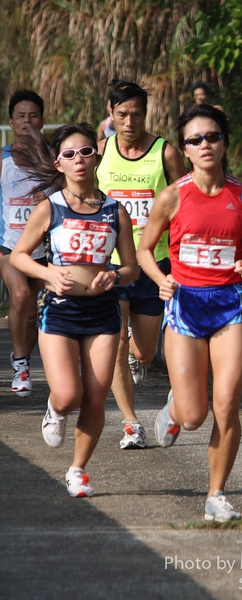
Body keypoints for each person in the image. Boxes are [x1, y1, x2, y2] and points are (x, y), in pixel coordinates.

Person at [136, 104, 242, 521]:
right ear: (184, 149)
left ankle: (216, 495)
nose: (205, 145)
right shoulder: (172, 196)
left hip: (230, 307)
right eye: (195, 139)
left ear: (224, 143)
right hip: (185, 306)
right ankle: (173, 411)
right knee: (194, 416)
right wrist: (160, 279)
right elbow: (145, 250)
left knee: (227, 404)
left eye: (213, 137)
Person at [9, 122, 138, 497]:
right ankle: (55, 408)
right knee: (69, 395)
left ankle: (79, 469)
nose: (78, 159)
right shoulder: (50, 208)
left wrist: (114, 275)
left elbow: (131, 268)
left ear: (96, 157)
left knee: (96, 398)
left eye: (85, 151)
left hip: (103, 313)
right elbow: (19, 256)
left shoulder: (115, 211)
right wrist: (48, 273)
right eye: (69, 154)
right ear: (59, 163)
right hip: (60, 312)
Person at [96, 79, 186, 450]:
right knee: (116, 343)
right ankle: (131, 424)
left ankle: (139, 358)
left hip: (153, 264)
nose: (129, 122)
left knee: (144, 351)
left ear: (145, 114)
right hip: (112, 265)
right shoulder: (101, 150)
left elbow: (187, 202)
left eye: (136, 114)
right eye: (122, 114)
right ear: (110, 113)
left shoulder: (165, 153)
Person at [0, 89, 46, 398]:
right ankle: (19, 364)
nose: (27, 121)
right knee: (19, 295)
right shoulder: (3, 158)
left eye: (33, 116)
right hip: (9, 246)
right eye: (21, 116)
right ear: (11, 122)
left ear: (42, 120)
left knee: (33, 314)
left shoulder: (55, 158)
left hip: (44, 249)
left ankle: (24, 359)